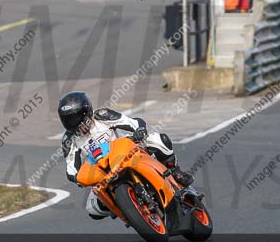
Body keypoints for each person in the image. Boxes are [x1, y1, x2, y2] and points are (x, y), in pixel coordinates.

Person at [58, 91, 193, 221]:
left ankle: (176, 171)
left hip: (127, 151)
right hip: (102, 172)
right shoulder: (69, 140)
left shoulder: (101, 116)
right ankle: (127, 208)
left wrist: (138, 131)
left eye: (75, 118)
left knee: (158, 139)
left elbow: (132, 122)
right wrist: (78, 178)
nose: (74, 123)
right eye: (68, 120)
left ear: (86, 112)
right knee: (92, 209)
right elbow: (71, 168)